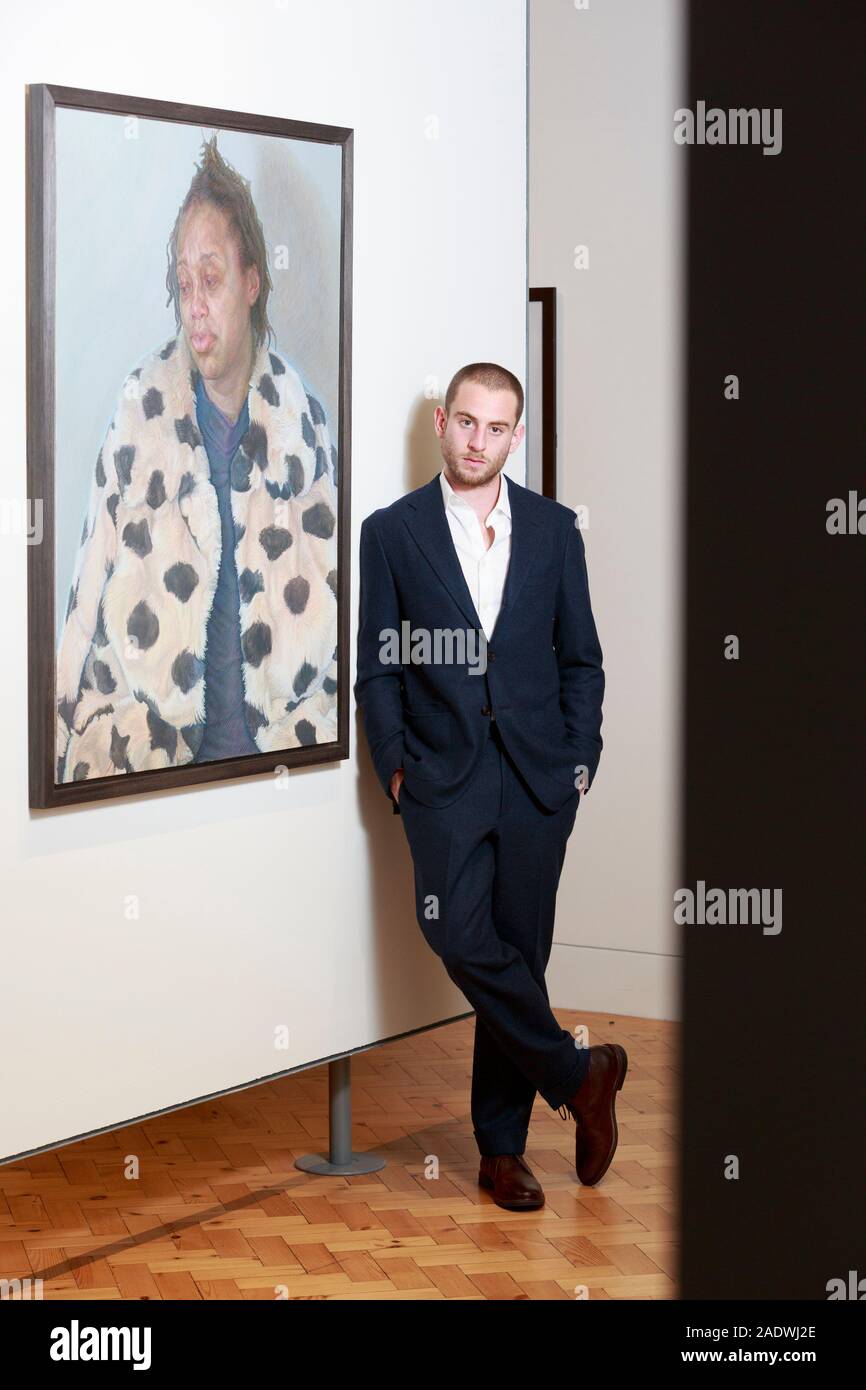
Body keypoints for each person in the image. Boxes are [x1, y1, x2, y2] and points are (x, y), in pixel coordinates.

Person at [354, 363, 627, 1209]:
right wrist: (396, 768)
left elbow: (580, 657)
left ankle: (500, 1153)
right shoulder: (391, 532)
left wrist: (580, 759)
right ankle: (584, 1077)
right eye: (465, 423)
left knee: (521, 954)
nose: (479, 441)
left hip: (540, 777)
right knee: (461, 939)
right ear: (442, 422)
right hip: (442, 778)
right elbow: (378, 666)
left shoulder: (552, 529)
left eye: (496, 428)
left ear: (516, 434)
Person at [56, 135, 338, 784]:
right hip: (147, 771)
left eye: (210, 279)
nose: (196, 304)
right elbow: (83, 600)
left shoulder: (304, 423)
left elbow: (338, 610)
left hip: (283, 772)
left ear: (251, 282)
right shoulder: (137, 415)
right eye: (184, 284)